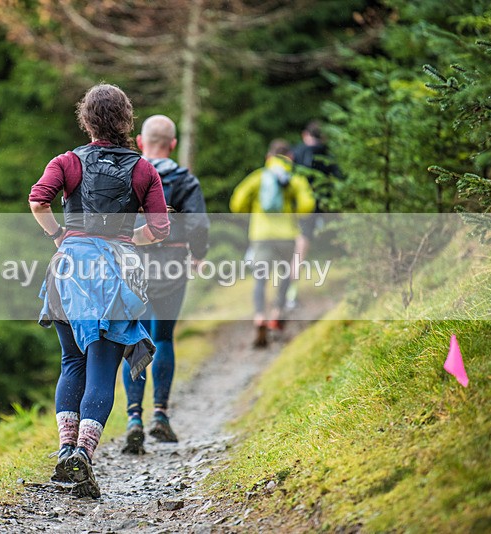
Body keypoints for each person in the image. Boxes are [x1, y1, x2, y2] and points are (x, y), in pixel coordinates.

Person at [29, 84, 170, 498]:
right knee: (102, 369)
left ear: (86, 119)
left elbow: (39, 200)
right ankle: (84, 457)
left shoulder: (67, 161)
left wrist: (58, 235)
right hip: (115, 276)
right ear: (127, 120)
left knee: (71, 361)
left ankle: (64, 450)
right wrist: (129, 242)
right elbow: (160, 228)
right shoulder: (143, 169)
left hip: (68, 270)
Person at [120, 114, 209, 454]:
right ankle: (160, 414)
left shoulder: (130, 173)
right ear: (173, 144)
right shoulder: (184, 178)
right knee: (163, 336)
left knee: (134, 335)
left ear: (141, 142)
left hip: (132, 264)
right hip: (172, 265)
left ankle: (133, 419)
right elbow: (198, 224)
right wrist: (198, 255)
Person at [230, 139, 315, 348]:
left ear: (268, 157)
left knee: (260, 278)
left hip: (261, 234)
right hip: (286, 234)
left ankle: (260, 316)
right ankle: (277, 313)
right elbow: (308, 205)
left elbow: (237, 203)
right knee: (285, 275)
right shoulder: (294, 179)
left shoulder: (258, 177)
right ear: (291, 158)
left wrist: (252, 211)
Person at [287, 120, 343, 309]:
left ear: (305, 134)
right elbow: (340, 178)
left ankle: (291, 295)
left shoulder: (296, 152)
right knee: (342, 239)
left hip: (301, 210)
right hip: (327, 207)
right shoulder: (327, 153)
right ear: (324, 136)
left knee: (300, 250)